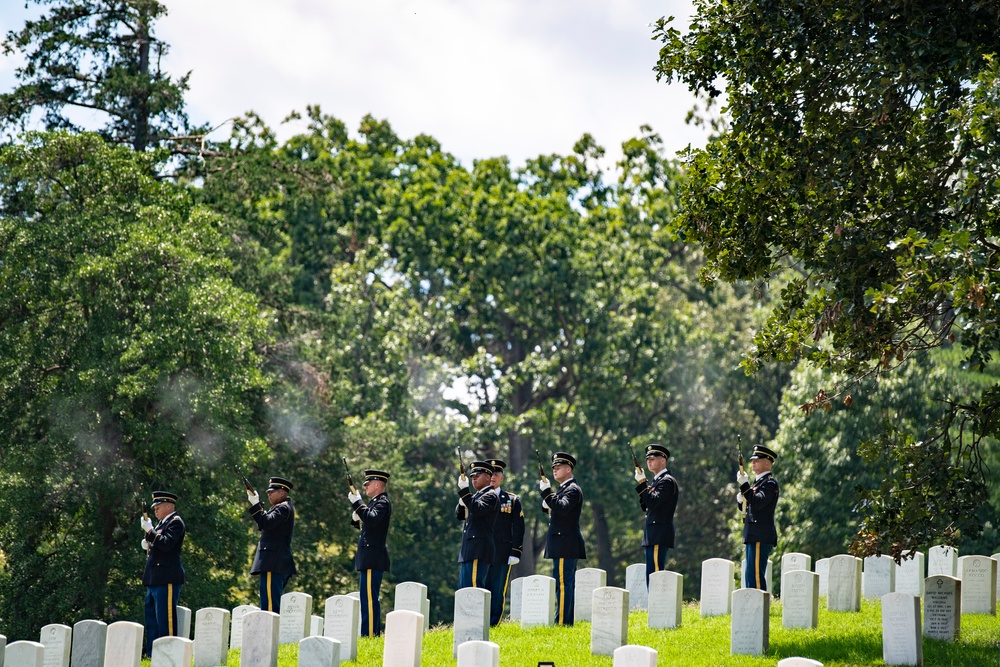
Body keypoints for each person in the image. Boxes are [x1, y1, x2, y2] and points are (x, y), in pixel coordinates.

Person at [539, 451, 585, 625]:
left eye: (558, 467)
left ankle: (563, 622)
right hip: (562, 543)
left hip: (566, 543)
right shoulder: (563, 490)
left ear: (568, 469)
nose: (555, 470)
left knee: (564, 585)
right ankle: (564, 620)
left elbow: (562, 508)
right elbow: (553, 508)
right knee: (562, 584)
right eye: (553, 468)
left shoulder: (572, 490)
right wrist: (549, 497)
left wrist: (547, 494)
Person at [141, 490, 185, 657]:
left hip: (167, 577)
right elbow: (157, 546)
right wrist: (148, 541)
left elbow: (166, 544)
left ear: (168, 505)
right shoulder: (160, 525)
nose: (155, 510)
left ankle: (169, 654)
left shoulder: (176, 522)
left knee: (165, 621)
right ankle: (153, 655)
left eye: (158, 506)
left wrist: (151, 533)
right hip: (153, 578)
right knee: (151, 621)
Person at [349, 469, 392, 636]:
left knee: (369, 599)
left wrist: (358, 503)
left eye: (368, 484)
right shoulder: (375, 502)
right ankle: (369, 633)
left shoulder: (382, 502)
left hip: (373, 557)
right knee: (366, 598)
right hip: (368, 557)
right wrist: (358, 514)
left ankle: (371, 634)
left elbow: (372, 519)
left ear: (377, 484)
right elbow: (366, 520)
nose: (365, 486)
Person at [248, 476, 296, 612]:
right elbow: (266, 523)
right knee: (269, 603)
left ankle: (269, 633)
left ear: (282, 492)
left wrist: (255, 505)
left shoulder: (283, 508)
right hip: (274, 562)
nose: (268, 494)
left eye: (272, 491)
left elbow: (266, 523)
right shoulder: (279, 508)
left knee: (270, 607)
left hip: (273, 562)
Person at [485, 459, 524, 625]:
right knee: (481, 587)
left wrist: (516, 551)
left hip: (502, 552)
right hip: (483, 551)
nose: (493, 477)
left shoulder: (511, 500)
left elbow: (519, 527)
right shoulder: (479, 498)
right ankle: (480, 620)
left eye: (496, 474)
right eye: (490, 474)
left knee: (498, 588)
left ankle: (494, 621)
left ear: (502, 477)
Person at [633, 443, 679, 586]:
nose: (649, 461)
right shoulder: (657, 481)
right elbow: (645, 505)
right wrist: (645, 485)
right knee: (652, 574)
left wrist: (642, 483)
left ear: (663, 460)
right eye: (648, 459)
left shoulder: (667, 481)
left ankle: (658, 606)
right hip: (653, 533)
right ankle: (654, 606)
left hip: (659, 532)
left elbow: (652, 502)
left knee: (656, 574)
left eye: (653, 458)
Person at [737, 444, 779, 590]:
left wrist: (745, 487)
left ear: (767, 463)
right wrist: (740, 501)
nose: (753, 462)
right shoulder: (758, 483)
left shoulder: (770, 483)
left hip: (760, 534)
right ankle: (752, 609)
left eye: (758, 460)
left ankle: (760, 610)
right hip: (752, 534)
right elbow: (750, 507)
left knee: (756, 577)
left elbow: (758, 503)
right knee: (750, 575)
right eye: (753, 459)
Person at [457, 460, 500, 589]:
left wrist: (465, 492)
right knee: (464, 589)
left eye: (477, 476)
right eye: (472, 477)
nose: (474, 480)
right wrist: (463, 500)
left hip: (478, 549)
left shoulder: (490, 496)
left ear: (488, 477)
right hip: (470, 550)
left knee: (473, 589)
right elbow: (460, 515)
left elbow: (477, 509)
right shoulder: (476, 496)